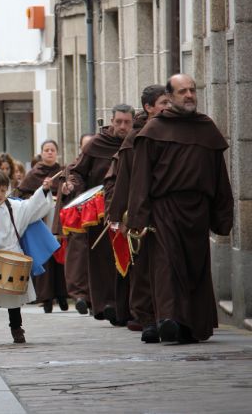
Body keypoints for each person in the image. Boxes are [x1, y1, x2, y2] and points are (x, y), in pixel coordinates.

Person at [127, 74, 233, 343]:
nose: (189, 95)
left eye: (192, 90)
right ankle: (168, 318)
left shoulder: (206, 127)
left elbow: (220, 175)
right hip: (165, 208)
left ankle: (192, 325)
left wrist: (222, 214)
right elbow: (141, 178)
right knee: (166, 264)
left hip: (198, 209)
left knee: (194, 268)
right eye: (182, 91)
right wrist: (138, 216)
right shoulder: (153, 131)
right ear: (170, 96)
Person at [104, 85, 170, 342]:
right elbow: (122, 180)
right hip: (141, 211)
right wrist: (118, 215)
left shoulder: (173, 130)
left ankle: (167, 316)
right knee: (142, 267)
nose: (167, 107)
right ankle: (147, 319)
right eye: (163, 102)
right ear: (149, 107)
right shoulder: (135, 138)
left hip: (168, 210)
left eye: (168, 102)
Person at [0, 170, 56, 345]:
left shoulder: (15, 206)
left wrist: (43, 190)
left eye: (2, 190)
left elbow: (32, 207)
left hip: (12, 255)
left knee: (13, 295)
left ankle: (16, 328)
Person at [64, 105, 133, 325]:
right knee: (102, 261)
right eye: (119, 121)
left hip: (127, 212)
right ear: (111, 121)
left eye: (127, 122)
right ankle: (104, 304)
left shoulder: (135, 142)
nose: (122, 126)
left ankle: (125, 306)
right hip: (99, 213)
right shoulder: (96, 144)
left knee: (128, 259)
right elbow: (77, 171)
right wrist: (73, 186)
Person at [16, 140, 66, 313]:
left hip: (59, 218)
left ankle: (62, 294)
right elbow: (21, 194)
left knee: (60, 256)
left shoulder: (63, 172)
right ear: (42, 153)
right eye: (46, 150)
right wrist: (42, 195)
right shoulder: (34, 174)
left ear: (57, 153)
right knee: (45, 257)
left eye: (53, 150)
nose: (50, 153)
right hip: (42, 220)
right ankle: (46, 297)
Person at [53, 133, 94, 315]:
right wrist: (68, 187)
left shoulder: (102, 163)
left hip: (98, 220)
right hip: (78, 221)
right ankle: (79, 296)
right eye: (86, 146)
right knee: (77, 259)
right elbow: (68, 187)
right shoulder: (72, 168)